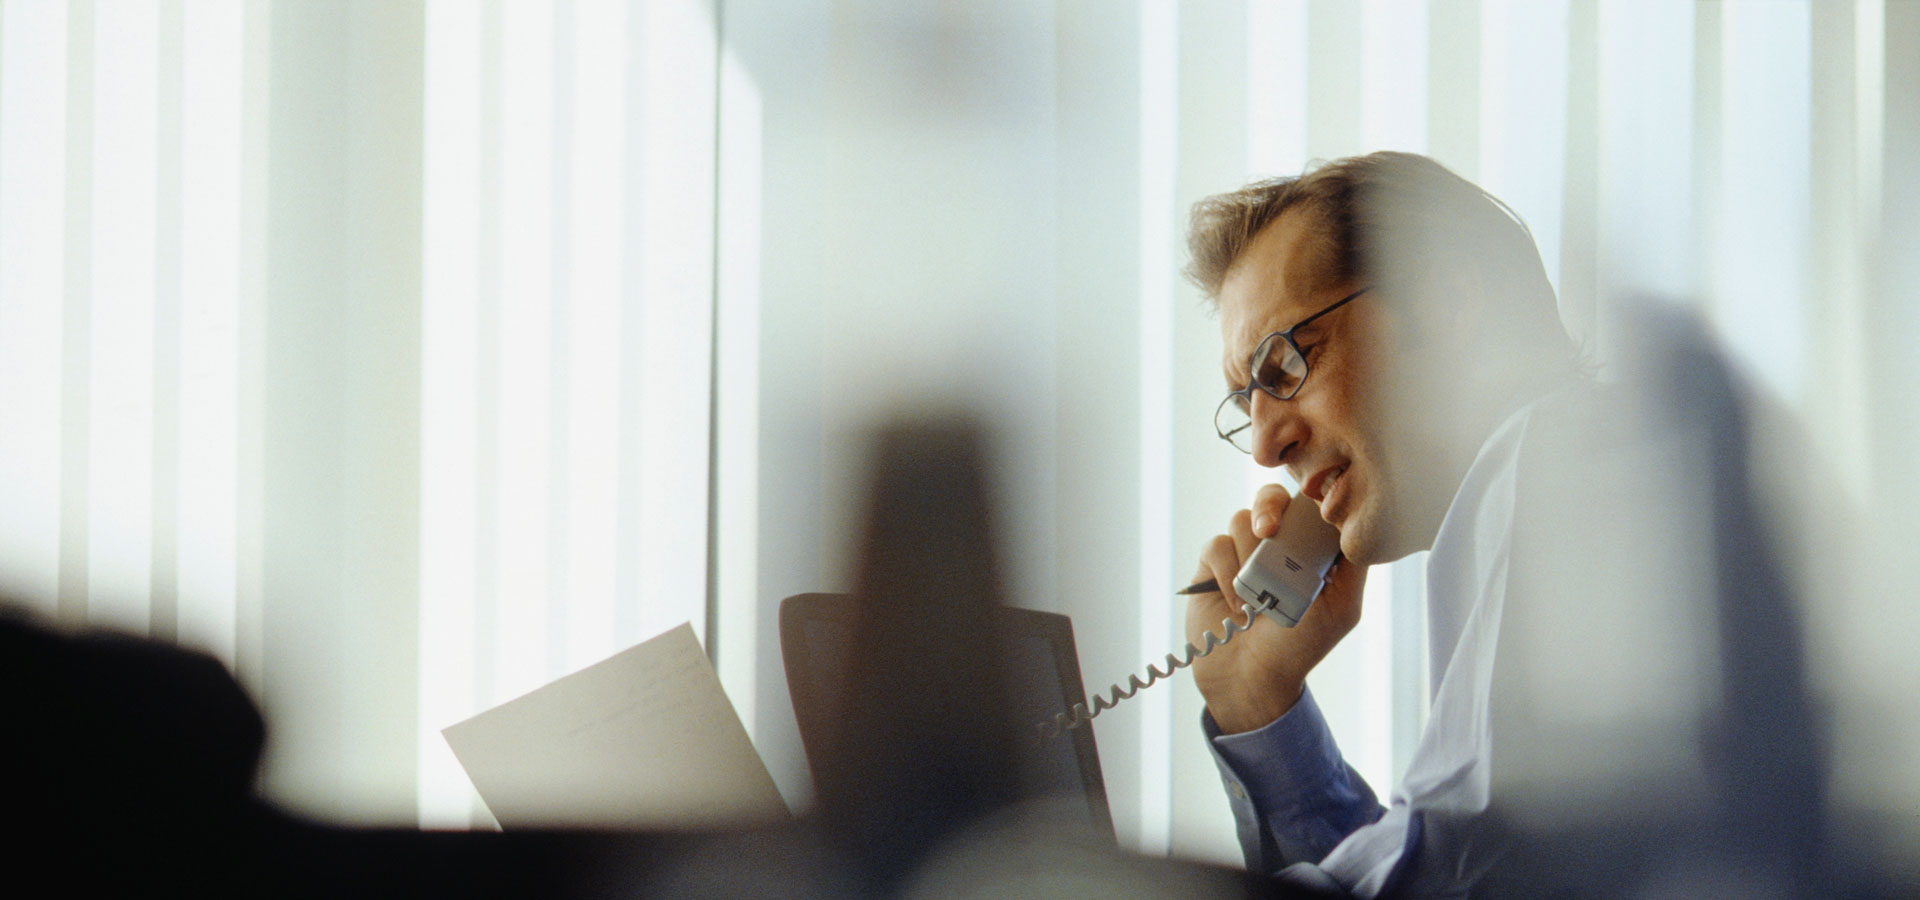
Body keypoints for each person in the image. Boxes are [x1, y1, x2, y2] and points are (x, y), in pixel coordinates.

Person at [1181, 151, 1592, 895]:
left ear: (1446, 307)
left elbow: (1456, 874)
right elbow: (1444, 866)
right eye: (1247, 404)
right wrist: (1256, 697)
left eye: (1287, 365)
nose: (1267, 446)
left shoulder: (1555, 460)